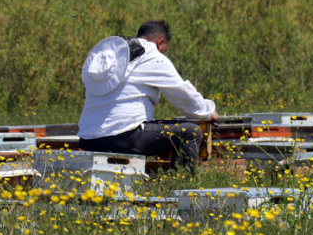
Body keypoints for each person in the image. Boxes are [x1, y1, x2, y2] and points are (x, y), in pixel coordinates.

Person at [77, 20, 219, 170]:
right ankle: (181, 184)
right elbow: (183, 95)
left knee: (151, 128)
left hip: (88, 140)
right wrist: (209, 112)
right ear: (160, 42)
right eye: (164, 50)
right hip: (124, 138)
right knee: (190, 132)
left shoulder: (113, 59)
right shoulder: (152, 55)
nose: (163, 54)